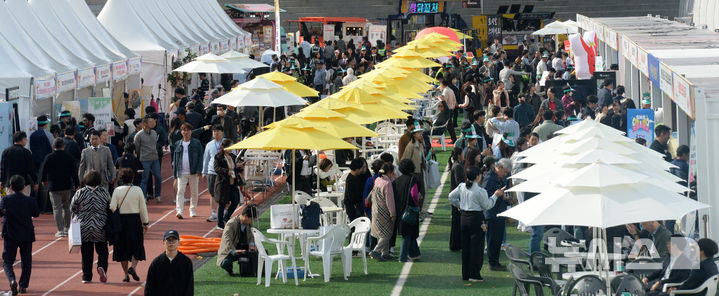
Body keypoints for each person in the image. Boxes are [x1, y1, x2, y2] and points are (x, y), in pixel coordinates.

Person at [449, 165, 505, 281]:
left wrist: (459, 205)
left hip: (464, 217)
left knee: (466, 246)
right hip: (476, 218)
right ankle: (474, 274)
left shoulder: (462, 186)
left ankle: (466, 274)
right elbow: (487, 205)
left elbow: (451, 197)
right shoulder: (480, 191)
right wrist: (495, 195)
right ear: (477, 177)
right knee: (477, 247)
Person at [0, 175, 39, 295]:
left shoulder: (6, 200)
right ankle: (23, 286)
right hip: (26, 234)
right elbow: (36, 213)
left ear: (11, 187)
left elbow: (0, 212)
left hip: (10, 234)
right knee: (26, 261)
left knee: (7, 261)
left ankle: (12, 280)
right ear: (23, 187)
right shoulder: (30, 200)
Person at [71, 170, 111, 283]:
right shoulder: (104, 192)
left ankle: (86, 276)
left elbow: (72, 208)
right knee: (102, 250)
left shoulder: (80, 192)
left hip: (84, 227)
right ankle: (102, 266)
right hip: (100, 226)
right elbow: (110, 206)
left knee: (86, 253)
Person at [110, 168, 148, 282]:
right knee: (137, 245)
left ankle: (126, 275)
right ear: (132, 178)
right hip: (135, 220)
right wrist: (145, 222)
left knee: (122, 248)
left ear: (120, 178)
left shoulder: (117, 190)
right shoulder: (138, 190)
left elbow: (112, 207)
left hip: (121, 222)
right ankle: (133, 267)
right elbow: (143, 208)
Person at [40, 138, 80, 237]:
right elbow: (74, 172)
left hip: (53, 187)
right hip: (66, 186)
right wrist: (76, 183)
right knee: (66, 207)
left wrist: (44, 181)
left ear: (53, 146)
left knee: (56, 208)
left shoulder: (49, 157)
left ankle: (60, 230)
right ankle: (67, 228)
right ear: (64, 146)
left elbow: (43, 170)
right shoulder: (69, 157)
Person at [144, 230, 193, 296]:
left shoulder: (186, 262)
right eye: (168, 240)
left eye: (174, 240)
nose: (171, 242)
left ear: (179, 242)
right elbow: (149, 286)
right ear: (163, 242)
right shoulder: (157, 263)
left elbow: (189, 286)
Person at [483, 158, 511, 271]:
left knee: (498, 239)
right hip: (492, 213)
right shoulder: (489, 178)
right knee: (492, 240)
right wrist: (499, 196)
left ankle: (495, 261)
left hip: (499, 212)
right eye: (504, 172)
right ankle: (492, 262)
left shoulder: (498, 177)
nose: (505, 175)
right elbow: (486, 195)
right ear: (498, 167)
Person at [172, 123, 203, 219]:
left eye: (187, 130)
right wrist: (175, 174)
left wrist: (199, 169)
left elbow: (201, 157)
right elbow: (175, 159)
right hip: (182, 172)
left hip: (193, 172)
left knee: (194, 192)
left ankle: (192, 210)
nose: (185, 132)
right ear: (181, 132)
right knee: (180, 191)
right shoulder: (178, 144)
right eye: (183, 130)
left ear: (191, 131)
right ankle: (179, 211)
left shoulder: (196, 143)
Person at [393, 159, 421, 262]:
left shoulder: (396, 181)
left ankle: (415, 254)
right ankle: (403, 257)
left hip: (399, 210)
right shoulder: (414, 179)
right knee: (408, 234)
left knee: (408, 232)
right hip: (410, 209)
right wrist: (417, 204)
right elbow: (414, 194)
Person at [218, 205, 258, 276]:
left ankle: (253, 270)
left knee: (257, 253)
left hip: (244, 247)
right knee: (225, 263)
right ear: (245, 216)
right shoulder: (231, 224)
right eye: (251, 219)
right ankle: (229, 270)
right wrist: (234, 251)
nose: (252, 221)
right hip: (231, 249)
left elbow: (251, 236)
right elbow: (227, 240)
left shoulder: (248, 223)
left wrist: (251, 245)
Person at [369, 163, 397, 261]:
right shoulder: (387, 183)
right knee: (387, 233)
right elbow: (390, 200)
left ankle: (385, 253)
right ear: (389, 172)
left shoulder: (378, 180)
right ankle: (376, 251)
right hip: (384, 210)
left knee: (382, 231)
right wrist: (392, 213)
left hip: (376, 208)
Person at [213, 139, 242, 229]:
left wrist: (240, 168)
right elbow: (217, 168)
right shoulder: (219, 157)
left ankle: (226, 217)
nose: (231, 148)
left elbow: (234, 169)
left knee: (236, 200)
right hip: (223, 183)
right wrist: (227, 171)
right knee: (222, 203)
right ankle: (220, 223)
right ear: (225, 147)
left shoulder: (233, 156)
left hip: (232, 183)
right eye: (230, 146)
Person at [134, 117, 161, 200]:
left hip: (155, 158)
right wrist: (140, 156)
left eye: (153, 121)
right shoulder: (139, 135)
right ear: (145, 124)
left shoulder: (154, 133)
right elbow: (137, 147)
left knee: (158, 177)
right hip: (145, 159)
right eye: (151, 122)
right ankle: (144, 197)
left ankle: (158, 195)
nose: (153, 123)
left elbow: (155, 144)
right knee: (144, 179)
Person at [202, 125, 224, 222]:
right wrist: (204, 172)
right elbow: (206, 159)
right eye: (214, 131)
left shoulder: (227, 143)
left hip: (223, 172)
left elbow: (233, 156)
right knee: (212, 193)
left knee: (223, 193)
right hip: (211, 172)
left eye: (217, 131)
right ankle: (214, 213)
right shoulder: (209, 145)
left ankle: (223, 213)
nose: (215, 133)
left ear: (222, 132)